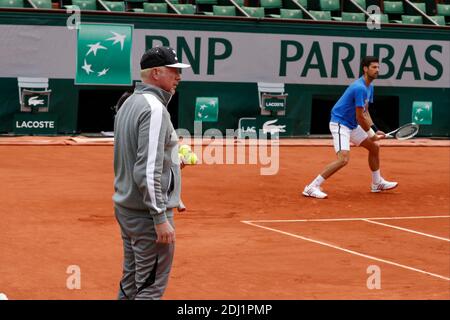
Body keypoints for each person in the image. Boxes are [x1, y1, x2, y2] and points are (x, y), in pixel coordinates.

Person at [113, 46, 190, 299]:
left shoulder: (128, 103)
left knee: (132, 280)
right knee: (150, 288)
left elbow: (136, 156)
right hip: (147, 216)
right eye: (174, 71)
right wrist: (159, 217)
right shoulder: (155, 109)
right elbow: (146, 169)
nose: (179, 77)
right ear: (156, 73)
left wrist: (173, 162)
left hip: (128, 209)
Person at [303, 56, 398, 199]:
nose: (377, 70)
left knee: (374, 147)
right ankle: (311, 187)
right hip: (341, 124)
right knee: (343, 159)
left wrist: (374, 127)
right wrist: (371, 133)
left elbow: (365, 111)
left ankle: (377, 182)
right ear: (365, 69)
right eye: (374, 67)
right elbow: (360, 116)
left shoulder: (369, 86)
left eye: (378, 67)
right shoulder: (359, 87)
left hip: (351, 124)